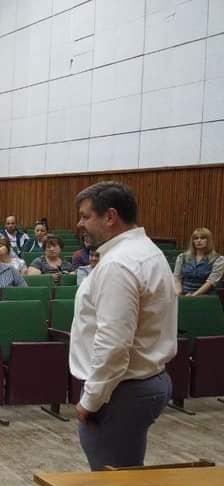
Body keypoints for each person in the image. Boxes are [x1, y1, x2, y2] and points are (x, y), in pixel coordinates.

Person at [71, 181, 174, 471]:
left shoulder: (118, 263)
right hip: (143, 380)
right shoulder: (147, 250)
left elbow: (114, 343)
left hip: (120, 391)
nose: (80, 224)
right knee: (127, 474)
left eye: (85, 216)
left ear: (110, 216)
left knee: (113, 484)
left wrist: (91, 400)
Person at [174, 227, 223, 296]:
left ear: (208, 241)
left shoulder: (218, 259)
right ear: (193, 241)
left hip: (205, 296)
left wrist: (194, 295)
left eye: (202, 238)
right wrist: (179, 293)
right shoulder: (182, 257)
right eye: (196, 238)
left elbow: (211, 282)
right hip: (184, 294)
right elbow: (177, 278)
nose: (199, 240)